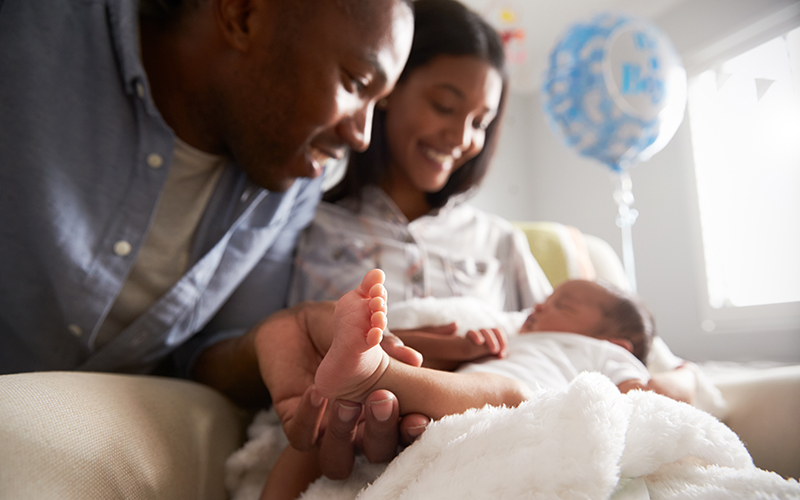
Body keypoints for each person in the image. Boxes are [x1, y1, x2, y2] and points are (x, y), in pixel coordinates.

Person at [0, 0, 424, 483]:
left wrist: (271, 338)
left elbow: (203, 354)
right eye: (355, 84)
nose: (362, 135)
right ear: (243, 15)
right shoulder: (25, 30)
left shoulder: (293, 180)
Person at [261, 269, 654, 499]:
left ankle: (373, 371)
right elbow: (431, 369)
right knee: (325, 424)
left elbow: (638, 403)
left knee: (512, 393)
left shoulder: (608, 355)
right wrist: (465, 347)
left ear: (614, 343)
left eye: (561, 306)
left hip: (519, 419)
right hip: (428, 417)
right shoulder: (509, 339)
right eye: (545, 299)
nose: (539, 307)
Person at [289, 0, 553, 313]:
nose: (461, 137)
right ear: (388, 89)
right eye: (444, 106)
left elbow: (564, 345)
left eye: (480, 122)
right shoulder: (308, 230)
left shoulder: (501, 243)